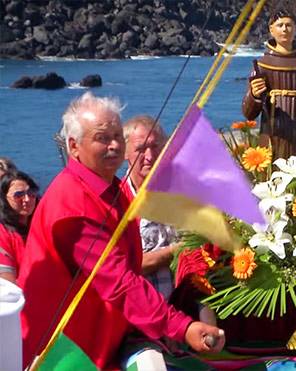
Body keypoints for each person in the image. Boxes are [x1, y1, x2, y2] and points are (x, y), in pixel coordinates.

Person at [17, 92, 224, 369]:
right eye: (102, 138)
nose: (114, 145)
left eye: (118, 136)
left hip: (105, 338)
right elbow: (119, 282)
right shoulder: (73, 205)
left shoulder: (109, 190)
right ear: (74, 146)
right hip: (67, 352)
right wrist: (182, 327)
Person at [241, 7, 296, 160]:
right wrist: (254, 95)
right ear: (271, 30)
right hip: (272, 131)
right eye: (280, 25)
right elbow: (249, 113)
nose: (284, 29)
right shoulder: (262, 65)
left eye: (289, 25)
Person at [122, 115, 178, 300]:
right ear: (125, 152)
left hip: (186, 306)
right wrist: (176, 251)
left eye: (154, 147)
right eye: (140, 149)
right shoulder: (117, 200)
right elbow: (124, 268)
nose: (149, 156)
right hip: (140, 314)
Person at [0, 171, 38, 283]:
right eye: (18, 195)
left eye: (31, 193)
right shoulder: (3, 233)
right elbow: (6, 281)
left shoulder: (42, 221)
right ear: (4, 199)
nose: (27, 199)